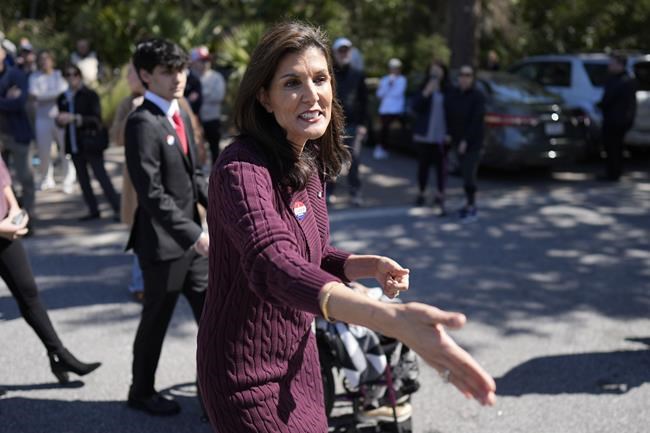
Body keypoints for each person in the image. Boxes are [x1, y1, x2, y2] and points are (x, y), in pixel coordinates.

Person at [197, 22, 496, 433]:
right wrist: (389, 319)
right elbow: (272, 262)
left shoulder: (307, 160)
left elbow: (313, 254)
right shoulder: (240, 168)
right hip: (245, 376)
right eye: (292, 83)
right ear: (264, 97)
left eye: (320, 79)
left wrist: (365, 265)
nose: (312, 95)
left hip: (301, 361)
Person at [125, 38, 209, 416]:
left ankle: (213, 391)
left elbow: (194, 176)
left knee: (213, 316)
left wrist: (225, 207)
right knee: (156, 321)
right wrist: (194, 235)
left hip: (193, 243)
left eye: (181, 69)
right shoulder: (142, 122)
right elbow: (151, 194)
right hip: (163, 245)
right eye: (167, 71)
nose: (178, 78)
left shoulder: (179, 111)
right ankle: (141, 392)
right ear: (146, 75)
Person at [0, 155, 101, 384]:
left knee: (28, 292)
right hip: (2, 228)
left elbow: (2, 176)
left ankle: (58, 354)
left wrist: (14, 210)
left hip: (6, 228)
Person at [56, 64, 119, 221]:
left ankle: (118, 208)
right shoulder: (62, 98)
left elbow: (96, 120)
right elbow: (61, 121)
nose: (72, 78)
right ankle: (93, 210)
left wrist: (75, 118)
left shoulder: (90, 95)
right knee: (83, 180)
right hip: (73, 144)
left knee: (101, 176)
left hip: (90, 142)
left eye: (75, 74)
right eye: (68, 75)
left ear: (80, 76)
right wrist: (60, 120)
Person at [29, 50, 75, 193]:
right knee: (44, 152)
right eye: (42, 60)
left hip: (59, 118)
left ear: (52, 61)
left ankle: (68, 179)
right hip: (42, 119)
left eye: (47, 59)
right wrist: (50, 95)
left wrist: (42, 97)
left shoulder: (58, 75)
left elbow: (63, 91)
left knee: (65, 150)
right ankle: (46, 178)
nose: (44, 62)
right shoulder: (34, 77)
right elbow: (34, 95)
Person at [329, 36, 367, 206]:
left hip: (353, 125)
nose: (344, 53)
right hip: (332, 126)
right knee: (331, 160)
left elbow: (364, 101)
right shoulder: (328, 74)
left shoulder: (358, 74)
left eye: (347, 50)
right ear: (335, 53)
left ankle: (355, 192)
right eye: (341, 50)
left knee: (354, 160)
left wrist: (363, 125)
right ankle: (328, 192)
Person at [0, 45, 35, 221]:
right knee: (4, 182)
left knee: (25, 178)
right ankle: (9, 217)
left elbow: (19, 102)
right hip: (1, 136)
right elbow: (11, 103)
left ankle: (28, 218)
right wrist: (6, 99)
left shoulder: (16, 75)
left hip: (18, 134)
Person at [446, 65, 485, 222]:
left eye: (468, 75)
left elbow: (476, 121)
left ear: (472, 78)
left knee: (469, 174)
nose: (464, 78)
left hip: (472, 143)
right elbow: (449, 115)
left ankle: (472, 206)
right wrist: (449, 134)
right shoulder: (454, 94)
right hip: (457, 140)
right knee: (463, 174)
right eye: (462, 75)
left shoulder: (477, 96)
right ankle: (468, 204)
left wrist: (466, 140)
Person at [411, 60, 450, 215]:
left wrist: (450, 133)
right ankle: (421, 192)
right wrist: (426, 92)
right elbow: (415, 107)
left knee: (441, 168)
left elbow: (454, 113)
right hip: (424, 136)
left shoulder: (448, 90)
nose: (436, 73)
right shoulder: (423, 87)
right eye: (433, 70)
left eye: (439, 70)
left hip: (441, 137)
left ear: (444, 72)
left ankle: (440, 195)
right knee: (423, 167)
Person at [597, 53, 637, 181]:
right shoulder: (613, 79)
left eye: (612, 63)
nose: (610, 66)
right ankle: (612, 172)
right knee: (610, 147)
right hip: (611, 119)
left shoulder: (626, 80)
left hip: (618, 121)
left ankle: (614, 173)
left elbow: (630, 103)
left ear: (620, 65)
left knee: (615, 148)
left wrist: (629, 120)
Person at [190, 46, 226, 164]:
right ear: (194, 62)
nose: (206, 63)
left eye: (207, 60)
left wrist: (199, 96)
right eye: (202, 60)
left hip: (211, 118)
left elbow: (218, 96)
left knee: (214, 148)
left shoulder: (216, 77)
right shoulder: (188, 78)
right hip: (193, 121)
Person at [375, 57, 407, 160]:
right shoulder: (385, 80)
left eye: (396, 68)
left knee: (392, 130)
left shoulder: (402, 80)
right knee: (383, 130)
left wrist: (388, 90)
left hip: (396, 110)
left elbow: (397, 93)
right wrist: (389, 86)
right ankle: (381, 148)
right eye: (392, 67)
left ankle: (388, 148)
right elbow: (379, 94)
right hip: (385, 109)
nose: (394, 70)